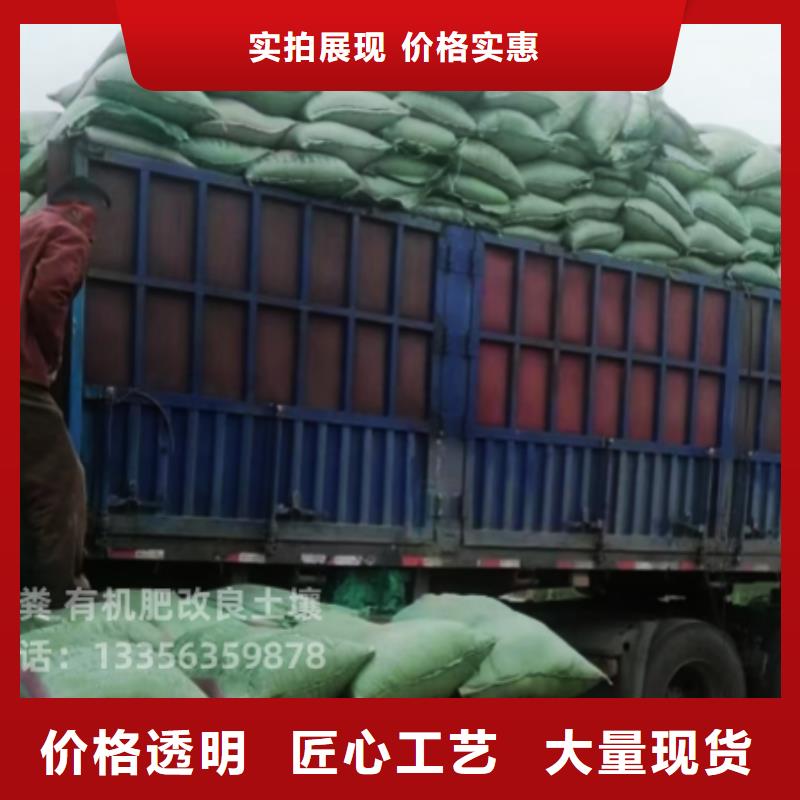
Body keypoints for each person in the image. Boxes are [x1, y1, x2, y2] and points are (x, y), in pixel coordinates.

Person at [20, 177, 111, 609]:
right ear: (78, 210)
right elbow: (48, 293)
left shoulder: (22, 228)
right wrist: (50, 354)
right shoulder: (67, 232)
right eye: (94, 223)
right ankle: (59, 595)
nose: (93, 235)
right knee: (62, 481)